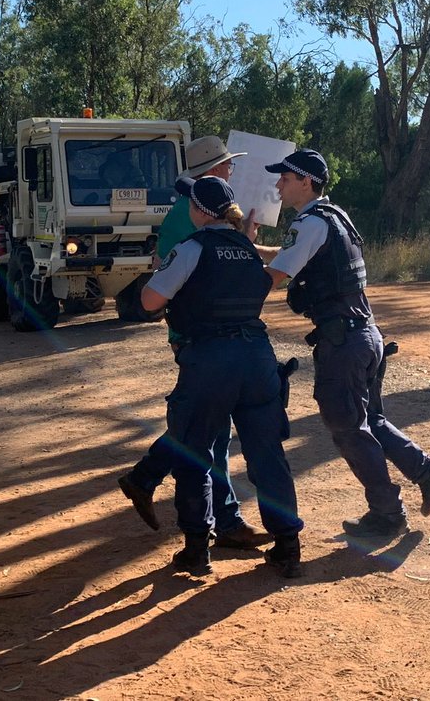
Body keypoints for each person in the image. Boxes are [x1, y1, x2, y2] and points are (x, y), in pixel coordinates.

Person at [257, 149, 430, 540]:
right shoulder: (333, 217)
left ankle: (387, 513)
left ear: (306, 182)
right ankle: (428, 472)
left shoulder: (309, 223)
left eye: (285, 178)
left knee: (347, 427)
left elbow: (275, 275)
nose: (278, 184)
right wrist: (250, 248)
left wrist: (226, 273)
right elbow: (287, 256)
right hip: (364, 334)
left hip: (343, 342)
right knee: (369, 420)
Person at [140, 176, 304, 578]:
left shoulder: (192, 248)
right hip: (258, 357)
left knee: (195, 452)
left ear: (196, 210)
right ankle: (287, 546)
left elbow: (149, 302)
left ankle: (197, 550)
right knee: (267, 453)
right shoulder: (248, 250)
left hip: (211, 359)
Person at [117, 136, 271, 552]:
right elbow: (174, 282)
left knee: (199, 428)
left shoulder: (198, 219)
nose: (232, 172)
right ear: (213, 173)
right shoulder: (190, 222)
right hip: (201, 339)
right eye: (227, 166)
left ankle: (149, 481)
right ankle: (222, 523)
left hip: (206, 340)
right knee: (207, 435)